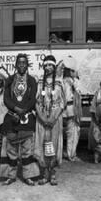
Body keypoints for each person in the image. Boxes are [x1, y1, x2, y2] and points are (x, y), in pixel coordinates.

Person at [0, 53, 41, 186]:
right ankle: (11, 175)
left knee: (27, 149)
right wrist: (15, 109)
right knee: (11, 149)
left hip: (27, 118)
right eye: (19, 63)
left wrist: (24, 110)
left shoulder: (32, 81)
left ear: (27, 65)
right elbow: (6, 98)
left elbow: (33, 99)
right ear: (16, 65)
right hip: (12, 118)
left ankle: (28, 176)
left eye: (24, 62)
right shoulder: (10, 80)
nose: (21, 65)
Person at [35, 55, 65, 186]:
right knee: (43, 145)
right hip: (42, 118)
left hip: (55, 119)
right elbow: (36, 101)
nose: (48, 68)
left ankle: (52, 173)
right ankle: (44, 174)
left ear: (54, 67)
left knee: (53, 145)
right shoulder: (40, 81)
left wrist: (53, 117)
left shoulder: (59, 82)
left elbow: (62, 103)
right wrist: (42, 117)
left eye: (50, 65)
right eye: (46, 65)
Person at [62, 56, 82, 162]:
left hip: (69, 110)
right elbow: (66, 97)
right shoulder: (68, 82)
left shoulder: (67, 81)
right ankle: (71, 154)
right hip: (70, 110)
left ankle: (70, 153)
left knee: (72, 133)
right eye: (73, 71)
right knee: (72, 133)